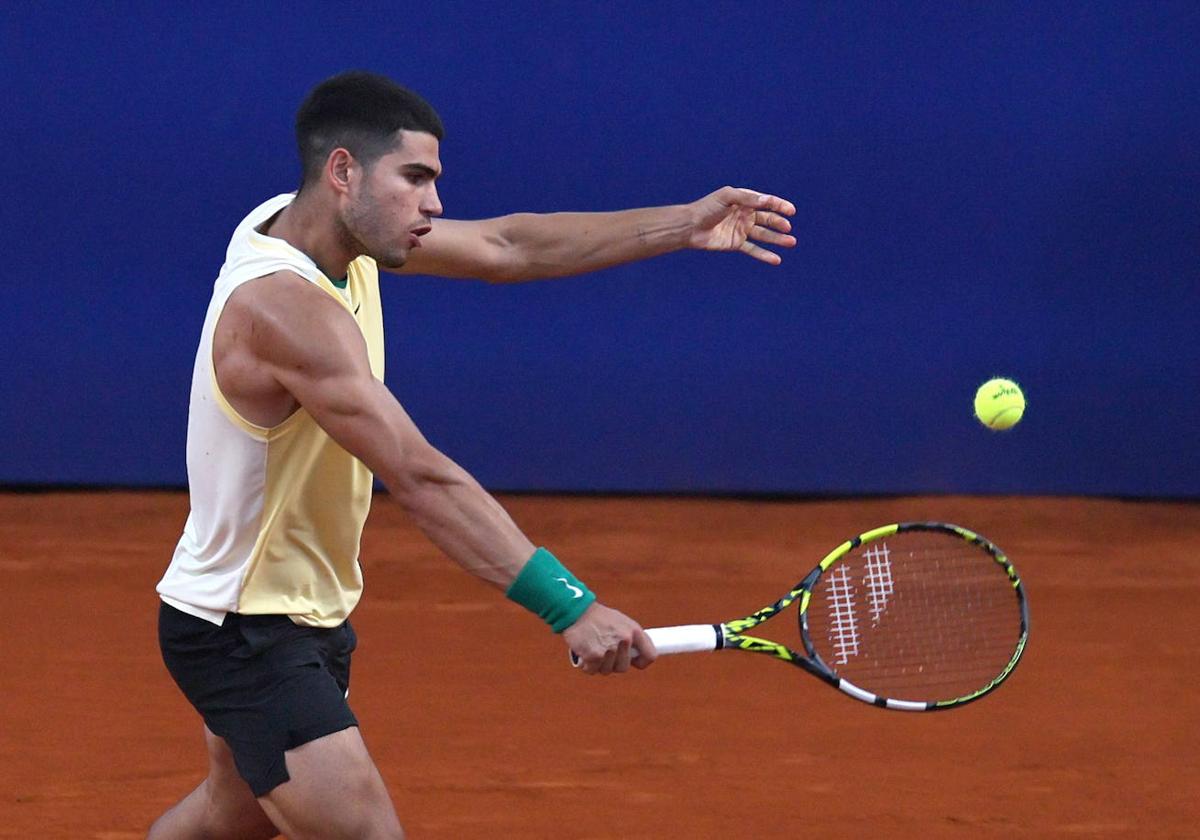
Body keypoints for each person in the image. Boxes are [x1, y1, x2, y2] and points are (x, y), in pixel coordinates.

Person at [149, 70, 795, 840]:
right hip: (245, 628)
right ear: (343, 172)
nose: (435, 204)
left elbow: (506, 245)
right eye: (415, 179)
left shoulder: (309, 228)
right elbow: (419, 476)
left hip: (298, 607)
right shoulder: (286, 311)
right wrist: (571, 606)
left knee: (230, 823)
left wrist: (683, 224)